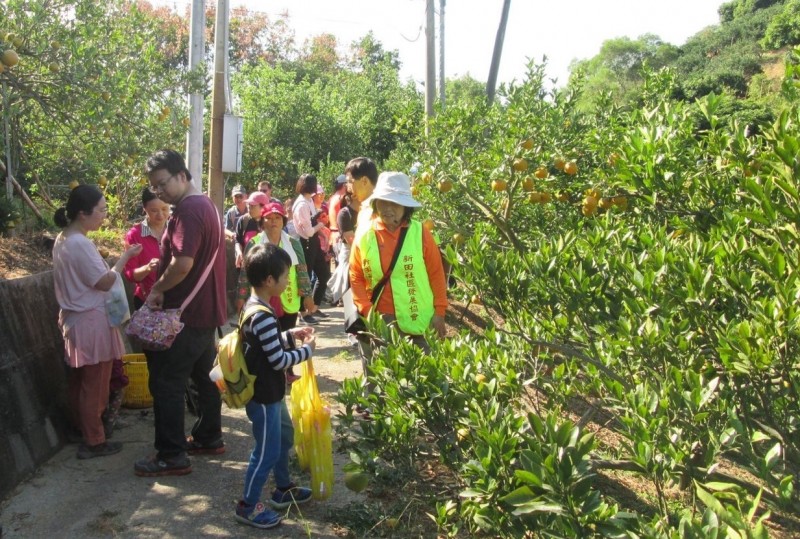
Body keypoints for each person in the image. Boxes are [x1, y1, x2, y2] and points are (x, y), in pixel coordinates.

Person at [134, 149, 227, 477]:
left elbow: (183, 263)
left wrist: (158, 288)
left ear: (182, 175)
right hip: (206, 312)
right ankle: (208, 436)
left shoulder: (188, 210)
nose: (160, 192)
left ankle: (171, 455)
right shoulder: (208, 206)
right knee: (204, 379)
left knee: (167, 382)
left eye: (162, 185)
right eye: (154, 189)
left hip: (185, 315)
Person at [52, 185, 143, 459]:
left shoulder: (64, 238)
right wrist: (124, 259)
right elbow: (103, 282)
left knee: (81, 381)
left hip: (76, 320)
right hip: (91, 321)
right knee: (96, 384)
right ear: (83, 213)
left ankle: (83, 430)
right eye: (101, 210)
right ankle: (94, 440)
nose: (105, 215)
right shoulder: (79, 243)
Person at [235, 243, 316, 529]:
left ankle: (283, 487)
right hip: (264, 397)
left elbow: (265, 344)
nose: (287, 281)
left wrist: (290, 334)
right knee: (266, 451)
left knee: (283, 436)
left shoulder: (257, 307)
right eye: (285, 276)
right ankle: (248, 505)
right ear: (270, 280)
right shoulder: (263, 315)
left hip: (270, 394)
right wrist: (308, 350)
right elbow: (279, 360)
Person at [349, 172, 448, 401]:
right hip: (380, 316)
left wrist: (439, 312)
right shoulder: (365, 234)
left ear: (406, 207)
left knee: (426, 373)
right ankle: (377, 422)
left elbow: (436, 273)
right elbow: (355, 275)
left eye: (395, 203)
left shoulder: (420, 233)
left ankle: (426, 422)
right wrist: (366, 309)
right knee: (381, 376)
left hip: (419, 316)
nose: (388, 208)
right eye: (383, 202)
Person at [123, 188, 170, 310]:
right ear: (144, 209)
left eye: (165, 209)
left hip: (176, 300)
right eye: (154, 210)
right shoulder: (135, 235)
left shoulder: (177, 230)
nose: (160, 215)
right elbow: (130, 275)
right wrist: (147, 268)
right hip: (147, 301)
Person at [291, 174, 326, 324]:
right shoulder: (302, 205)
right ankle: (303, 312)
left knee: (324, 274)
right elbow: (308, 231)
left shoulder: (308, 201)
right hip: (305, 244)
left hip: (313, 244)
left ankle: (313, 307)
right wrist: (321, 224)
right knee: (305, 278)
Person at [344, 157, 379, 244]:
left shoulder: (379, 209)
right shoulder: (365, 208)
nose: (348, 188)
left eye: (351, 182)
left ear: (364, 181)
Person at [234, 191, 269, 270]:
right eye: (248, 205)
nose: (249, 208)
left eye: (253, 206)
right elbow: (238, 241)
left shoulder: (270, 222)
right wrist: (239, 252)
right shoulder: (243, 220)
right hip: (247, 265)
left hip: (266, 266)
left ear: (263, 207)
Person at [327, 174, 348, 260]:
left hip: (333, 234)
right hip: (338, 234)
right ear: (344, 185)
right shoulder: (341, 198)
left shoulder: (332, 198)